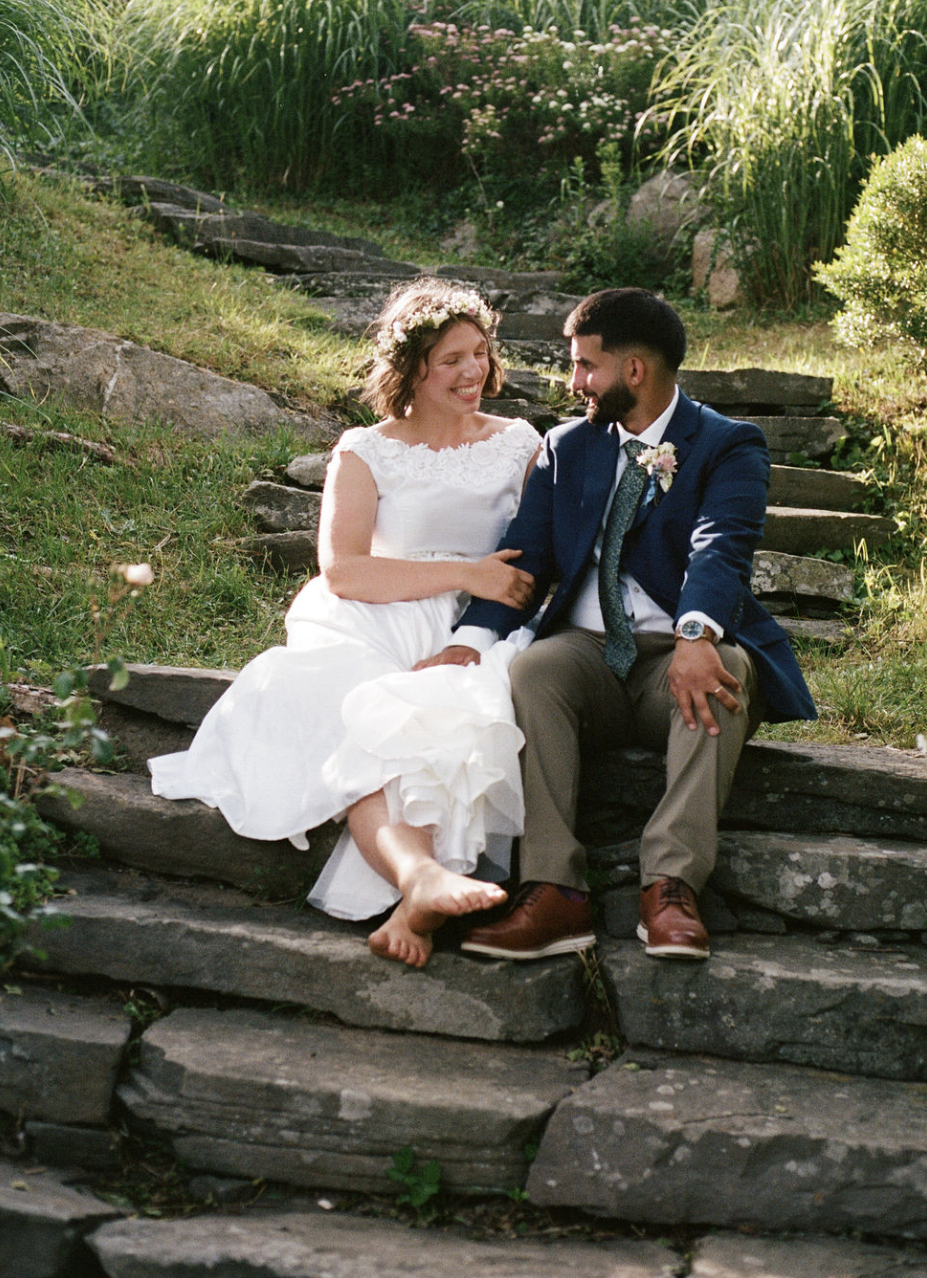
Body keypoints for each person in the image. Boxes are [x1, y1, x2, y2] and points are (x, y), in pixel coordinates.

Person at [150, 278, 541, 969]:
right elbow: (346, 571)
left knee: (445, 719)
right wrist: (464, 571)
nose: (473, 371)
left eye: (480, 353)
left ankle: (418, 887)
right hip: (370, 617)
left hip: (476, 626)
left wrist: (477, 608)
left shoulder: (520, 444)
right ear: (413, 367)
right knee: (364, 712)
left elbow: (543, 552)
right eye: (451, 359)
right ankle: (418, 877)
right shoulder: (367, 449)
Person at [419, 287, 816, 961]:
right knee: (533, 670)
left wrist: (697, 636)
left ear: (634, 371)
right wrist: (469, 640)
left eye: (585, 367)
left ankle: (670, 886)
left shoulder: (726, 445)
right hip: (586, 652)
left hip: (674, 653)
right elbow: (528, 557)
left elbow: (722, 545)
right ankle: (554, 892)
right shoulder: (566, 447)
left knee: (725, 671)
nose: (574, 384)